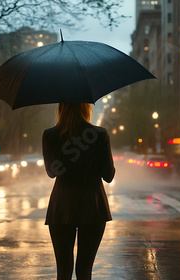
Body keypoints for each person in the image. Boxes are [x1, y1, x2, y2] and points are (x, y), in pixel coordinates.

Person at [42, 103, 115, 280]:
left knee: (63, 271)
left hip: (62, 207)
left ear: (61, 107)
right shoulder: (99, 135)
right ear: (85, 108)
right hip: (92, 205)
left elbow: (52, 173)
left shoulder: (50, 135)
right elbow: (108, 175)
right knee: (84, 270)